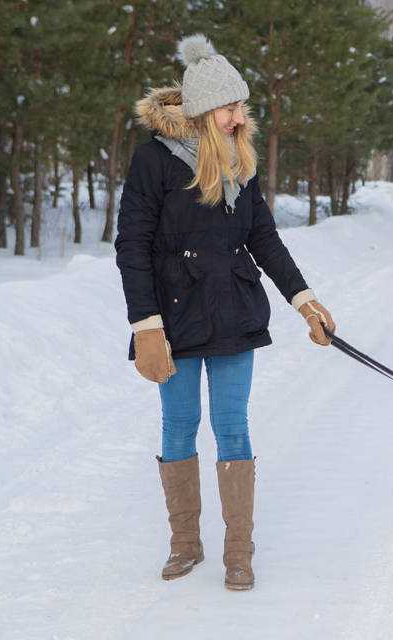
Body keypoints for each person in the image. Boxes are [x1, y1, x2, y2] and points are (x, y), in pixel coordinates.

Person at [114, 34, 335, 591]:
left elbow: (264, 238)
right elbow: (132, 246)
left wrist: (304, 300)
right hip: (175, 316)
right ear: (206, 108)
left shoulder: (241, 162)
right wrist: (146, 328)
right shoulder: (155, 162)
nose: (241, 117)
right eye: (232, 107)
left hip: (234, 311)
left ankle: (239, 550)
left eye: (242, 107)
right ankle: (185, 544)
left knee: (232, 426)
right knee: (180, 423)